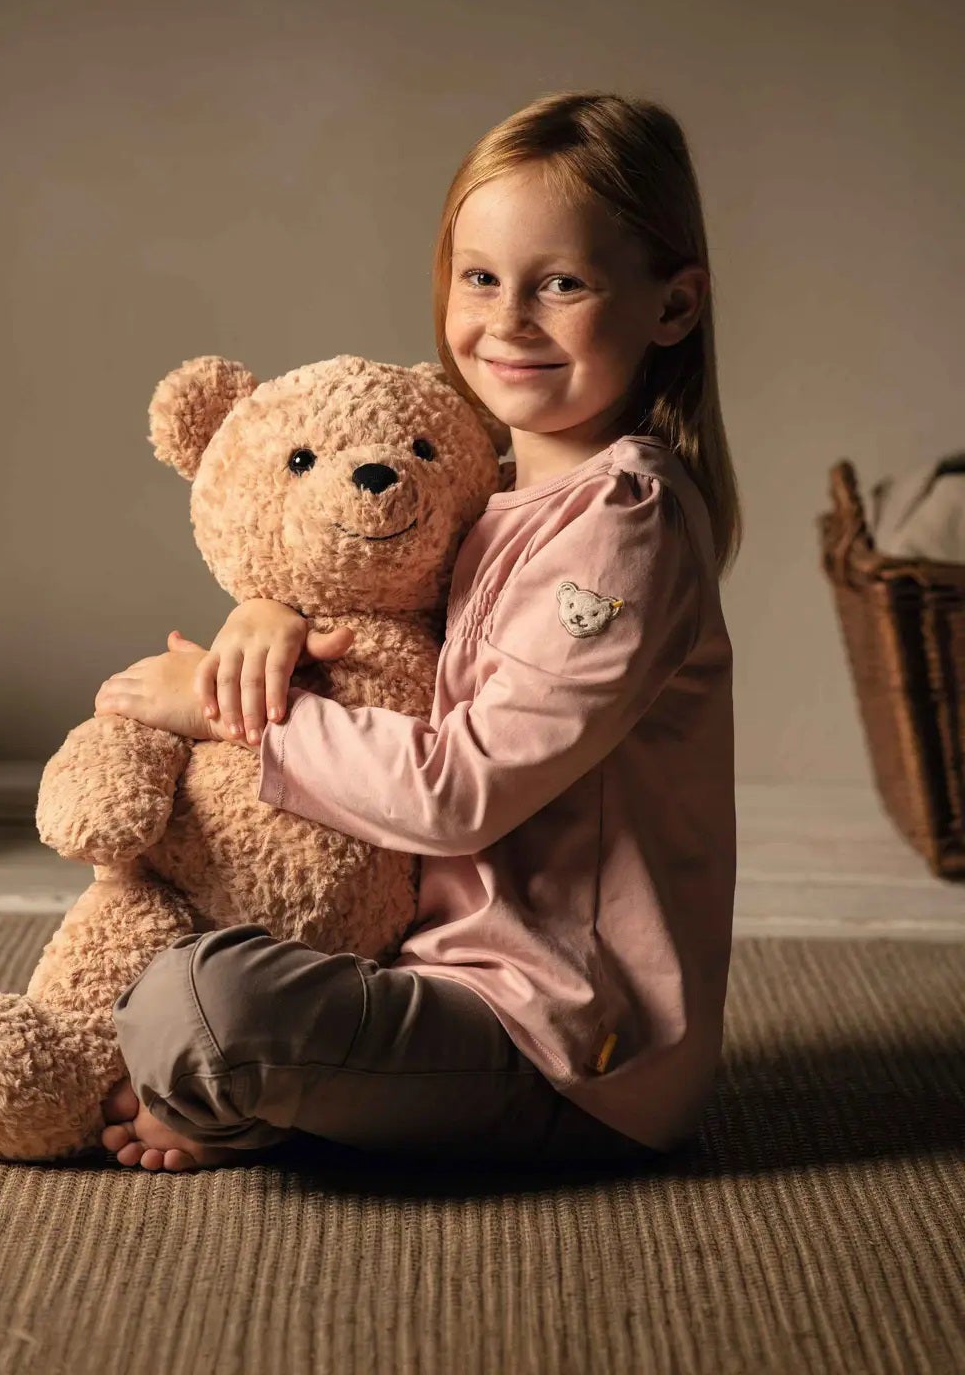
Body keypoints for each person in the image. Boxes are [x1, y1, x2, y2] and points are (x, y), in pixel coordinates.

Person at [91, 90, 741, 1174]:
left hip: (566, 1045)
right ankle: (288, 1079)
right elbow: (369, 597)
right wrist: (273, 616)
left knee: (201, 1003)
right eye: (481, 278)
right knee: (151, 947)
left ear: (670, 308)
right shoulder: (482, 491)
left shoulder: (626, 523)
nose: (510, 320)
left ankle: (256, 1089)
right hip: (422, 963)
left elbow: (460, 788)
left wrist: (224, 702)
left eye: (563, 284)